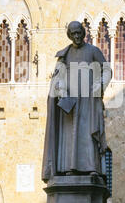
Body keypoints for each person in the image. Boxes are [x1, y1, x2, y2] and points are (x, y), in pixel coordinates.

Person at [41, 21, 112, 182]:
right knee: (70, 134)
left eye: (79, 32)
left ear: (83, 32)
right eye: (73, 34)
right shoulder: (65, 55)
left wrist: (100, 85)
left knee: (88, 132)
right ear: (69, 35)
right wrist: (61, 88)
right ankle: (68, 168)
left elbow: (106, 69)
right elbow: (58, 77)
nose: (77, 36)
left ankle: (92, 168)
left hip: (89, 100)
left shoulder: (93, 51)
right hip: (71, 102)